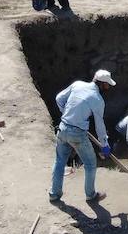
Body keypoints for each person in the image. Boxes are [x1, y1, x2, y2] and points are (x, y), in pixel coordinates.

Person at [49, 69, 115, 203]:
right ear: (102, 84)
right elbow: (99, 126)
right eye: (107, 85)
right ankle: (91, 195)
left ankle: (54, 194)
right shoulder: (98, 100)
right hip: (78, 134)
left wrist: (66, 113)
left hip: (63, 128)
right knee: (90, 164)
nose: (108, 87)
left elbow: (59, 99)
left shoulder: (77, 85)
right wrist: (105, 145)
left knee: (60, 161)